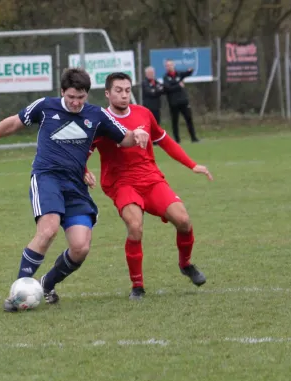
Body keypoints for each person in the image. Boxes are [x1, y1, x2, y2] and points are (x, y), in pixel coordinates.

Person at [0, 68, 150, 312]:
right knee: (49, 230)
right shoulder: (46, 106)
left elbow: (122, 138)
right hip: (47, 178)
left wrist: (136, 134)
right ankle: (17, 293)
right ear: (62, 92)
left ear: (87, 95)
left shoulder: (96, 115)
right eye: (71, 96)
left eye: (81, 97)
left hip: (75, 186)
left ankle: (46, 285)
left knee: (80, 247)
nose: (75, 102)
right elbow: (14, 123)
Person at [85, 72, 213, 300]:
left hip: (151, 179)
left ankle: (186, 264)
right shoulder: (99, 121)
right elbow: (83, 151)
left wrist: (192, 165)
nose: (124, 95)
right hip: (121, 183)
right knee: (135, 226)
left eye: (127, 90)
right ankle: (138, 286)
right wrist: (84, 170)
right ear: (107, 93)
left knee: (183, 220)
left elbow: (165, 141)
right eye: (118, 90)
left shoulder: (144, 113)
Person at [162, 60, 199, 143]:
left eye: (170, 65)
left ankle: (194, 138)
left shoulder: (179, 74)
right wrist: (178, 85)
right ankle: (177, 140)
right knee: (175, 122)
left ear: (173, 65)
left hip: (183, 101)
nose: (169, 67)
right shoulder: (165, 77)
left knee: (189, 119)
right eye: (167, 65)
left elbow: (187, 73)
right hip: (173, 103)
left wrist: (190, 71)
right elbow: (168, 88)